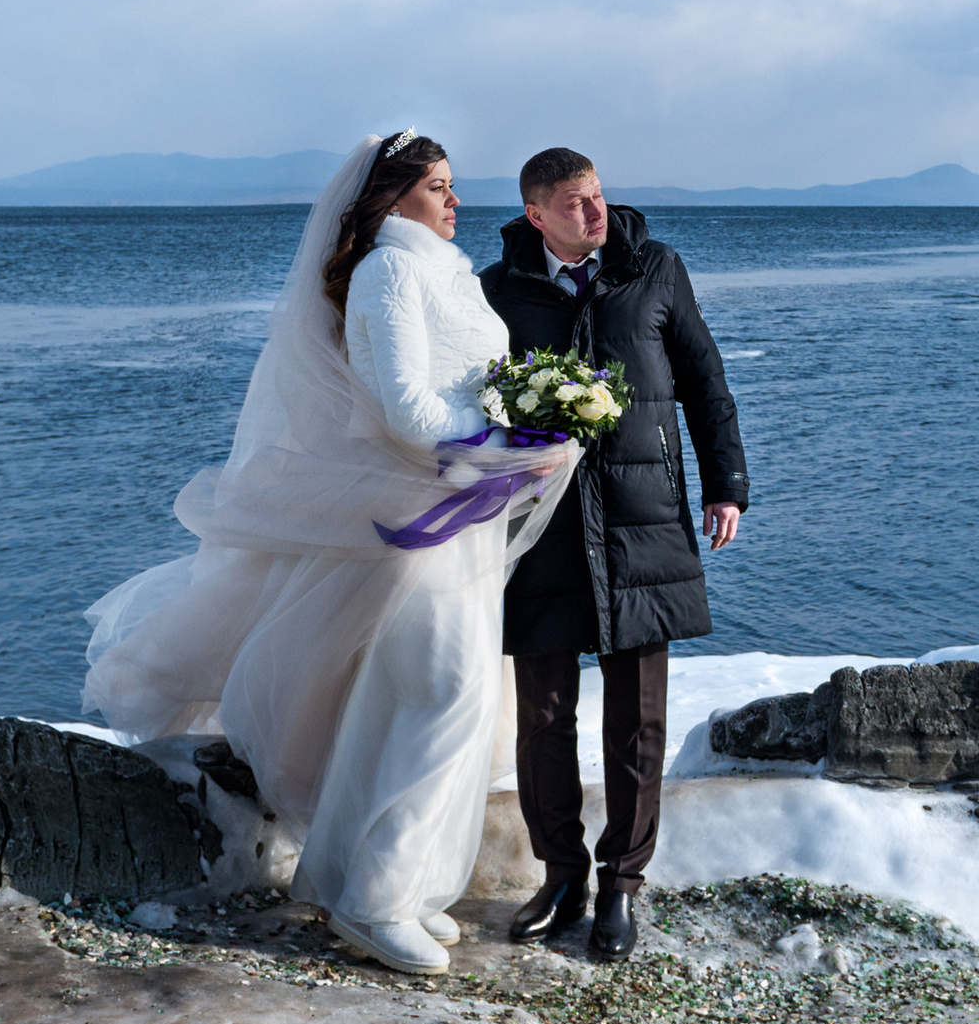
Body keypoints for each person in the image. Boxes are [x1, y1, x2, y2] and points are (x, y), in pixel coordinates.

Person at [81, 132, 575, 978]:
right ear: (393, 196)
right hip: (413, 519)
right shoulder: (390, 271)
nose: (455, 200)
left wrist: (532, 425)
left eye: (452, 185)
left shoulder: (446, 269)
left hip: (461, 513)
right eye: (438, 186)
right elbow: (402, 408)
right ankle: (372, 901)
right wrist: (503, 443)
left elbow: (468, 380)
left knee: (422, 696)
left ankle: (380, 878)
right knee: (439, 688)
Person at [484, 147, 748, 965]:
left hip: (644, 518)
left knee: (638, 715)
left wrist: (727, 485)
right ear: (536, 214)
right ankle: (561, 875)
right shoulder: (497, 291)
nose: (594, 212)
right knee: (544, 715)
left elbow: (705, 380)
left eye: (597, 195)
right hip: (542, 524)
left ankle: (621, 885)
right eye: (573, 202)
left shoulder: (654, 268)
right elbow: (472, 403)